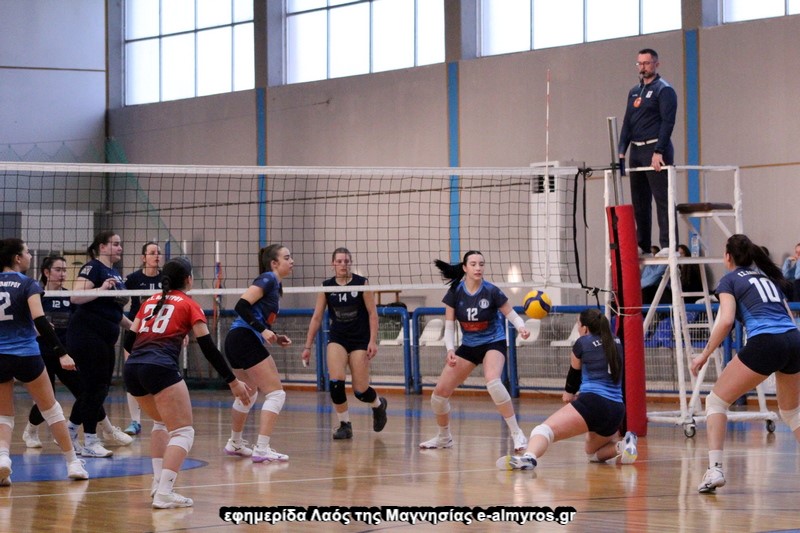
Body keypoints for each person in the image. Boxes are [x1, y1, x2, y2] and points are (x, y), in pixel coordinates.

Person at [123, 257, 251, 509]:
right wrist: (233, 381)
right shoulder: (190, 305)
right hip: (159, 368)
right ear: (188, 279)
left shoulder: (149, 302)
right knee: (183, 432)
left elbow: (128, 342)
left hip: (133, 369)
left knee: (160, 423)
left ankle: (158, 483)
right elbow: (208, 349)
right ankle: (164, 492)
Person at [690, 234, 800, 494]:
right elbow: (788, 315)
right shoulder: (768, 279)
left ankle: (715, 469)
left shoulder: (729, 280)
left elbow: (726, 320)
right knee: (792, 412)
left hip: (766, 341)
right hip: (794, 339)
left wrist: (704, 354)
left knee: (715, 402)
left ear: (728, 257)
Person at [496, 308, 638, 471]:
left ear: (585, 328)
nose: (578, 328)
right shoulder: (616, 341)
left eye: (578, 324)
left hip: (593, 403)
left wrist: (568, 393)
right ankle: (623, 446)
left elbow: (574, 374)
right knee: (592, 454)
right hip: (617, 409)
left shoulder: (582, 343)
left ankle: (529, 457)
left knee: (543, 430)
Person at [419, 250, 530, 452]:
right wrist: (450, 349)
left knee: (493, 382)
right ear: (465, 268)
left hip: (493, 342)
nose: (478, 268)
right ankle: (444, 437)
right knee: (439, 395)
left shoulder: (491, 291)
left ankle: (517, 433)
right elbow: (449, 326)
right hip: (469, 346)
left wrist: (521, 327)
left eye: (481, 264)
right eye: (473, 264)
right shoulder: (455, 292)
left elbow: (511, 314)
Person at [0, 238, 88, 483]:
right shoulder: (28, 283)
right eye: (27, 252)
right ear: (17, 258)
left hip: (0, 357)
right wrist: (62, 352)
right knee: (52, 410)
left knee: (4, 414)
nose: (30, 256)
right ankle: (73, 463)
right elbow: (39, 319)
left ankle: (3, 458)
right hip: (26, 355)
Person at [300, 247, 387, 440]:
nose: (343, 265)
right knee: (336, 383)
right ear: (333, 264)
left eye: (346, 261)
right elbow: (317, 317)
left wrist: (372, 341)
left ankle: (378, 405)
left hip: (360, 339)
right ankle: (344, 424)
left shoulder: (361, 283)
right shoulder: (327, 287)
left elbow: (373, 314)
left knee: (361, 391)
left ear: (351, 263)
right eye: (339, 261)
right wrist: (307, 346)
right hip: (338, 338)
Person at [222, 244, 293, 463]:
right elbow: (241, 306)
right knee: (276, 394)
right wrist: (262, 330)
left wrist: (274, 336)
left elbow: (256, 316)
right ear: (274, 263)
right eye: (287, 257)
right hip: (244, 338)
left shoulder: (275, 285)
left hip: (237, 340)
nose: (292, 261)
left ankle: (235, 443)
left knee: (248, 393)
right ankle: (262, 449)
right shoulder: (268, 278)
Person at [68, 230, 134, 457]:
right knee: (93, 389)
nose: (120, 248)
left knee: (99, 389)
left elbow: (113, 312)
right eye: (115, 244)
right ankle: (90, 440)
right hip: (86, 335)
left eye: (120, 244)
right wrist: (101, 289)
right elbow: (76, 296)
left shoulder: (115, 273)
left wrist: (137, 328)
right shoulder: (93, 267)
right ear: (102, 247)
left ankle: (70, 432)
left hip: (106, 337)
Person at [21, 256, 86, 449]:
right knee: (47, 399)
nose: (63, 274)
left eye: (65, 270)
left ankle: (80, 429)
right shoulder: (35, 294)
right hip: (41, 353)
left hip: (65, 353)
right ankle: (31, 430)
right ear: (46, 272)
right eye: (58, 270)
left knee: (84, 392)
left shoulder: (70, 296)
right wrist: (37, 328)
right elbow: (25, 321)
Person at [618, 48, 678, 253]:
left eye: (646, 63)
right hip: (636, 151)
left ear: (656, 64)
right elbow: (627, 122)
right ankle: (642, 244)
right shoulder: (634, 91)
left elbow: (668, 122)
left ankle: (668, 245)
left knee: (662, 199)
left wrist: (659, 151)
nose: (642, 67)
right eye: (639, 63)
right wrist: (621, 151)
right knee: (640, 201)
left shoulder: (664, 90)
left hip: (655, 149)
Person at [122, 241, 162, 436]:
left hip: (159, 331)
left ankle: (159, 419)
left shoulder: (166, 278)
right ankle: (135, 421)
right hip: (136, 329)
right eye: (152, 252)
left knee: (158, 373)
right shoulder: (133, 279)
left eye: (159, 253)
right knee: (132, 373)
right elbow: (119, 299)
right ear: (143, 257)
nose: (157, 256)